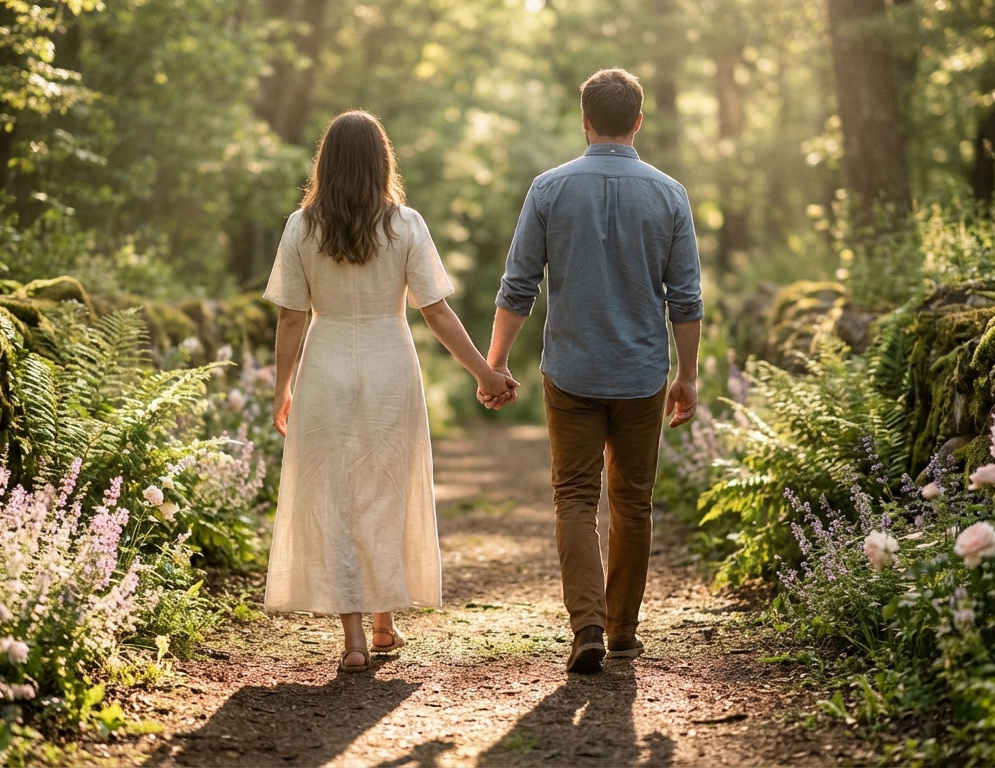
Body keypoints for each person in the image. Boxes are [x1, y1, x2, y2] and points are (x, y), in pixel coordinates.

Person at [264, 109, 517, 673]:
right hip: (389, 366)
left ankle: (355, 634)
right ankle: (383, 623)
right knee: (385, 488)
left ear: (325, 163)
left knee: (335, 494)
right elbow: (437, 312)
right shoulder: (406, 225)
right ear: (383, 162)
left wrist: (282, 387)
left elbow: (289, 320)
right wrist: (485, 373)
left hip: (325, 365)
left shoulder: (300, 228)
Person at [483, 68, 704, 673]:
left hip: (572, 372)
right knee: (633, 502)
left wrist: (495, 362)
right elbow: (685, 298)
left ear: (585, 121)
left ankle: (586, 627)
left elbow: (518, 285)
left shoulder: (548, 189)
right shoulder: (669, 194)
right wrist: (687, 375)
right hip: (640, 374)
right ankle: (623, 632)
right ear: (637, 121)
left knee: (575, 499)